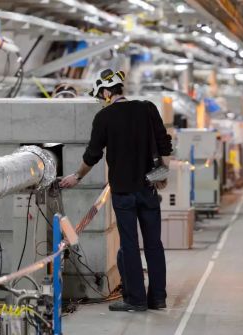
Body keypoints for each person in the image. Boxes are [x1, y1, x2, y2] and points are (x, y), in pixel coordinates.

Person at [59, 69, 172, 312]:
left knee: (129, 246)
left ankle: (136, 299)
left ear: (108, 91)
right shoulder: (148, 108)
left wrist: (76, 176)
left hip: (123, 193)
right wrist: (163, 173)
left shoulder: (104, 117)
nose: (102, 99)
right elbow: (164, 143)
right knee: (154, 244)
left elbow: (93, 155)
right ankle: (158, 298)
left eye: (102, 94)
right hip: (148, 188)